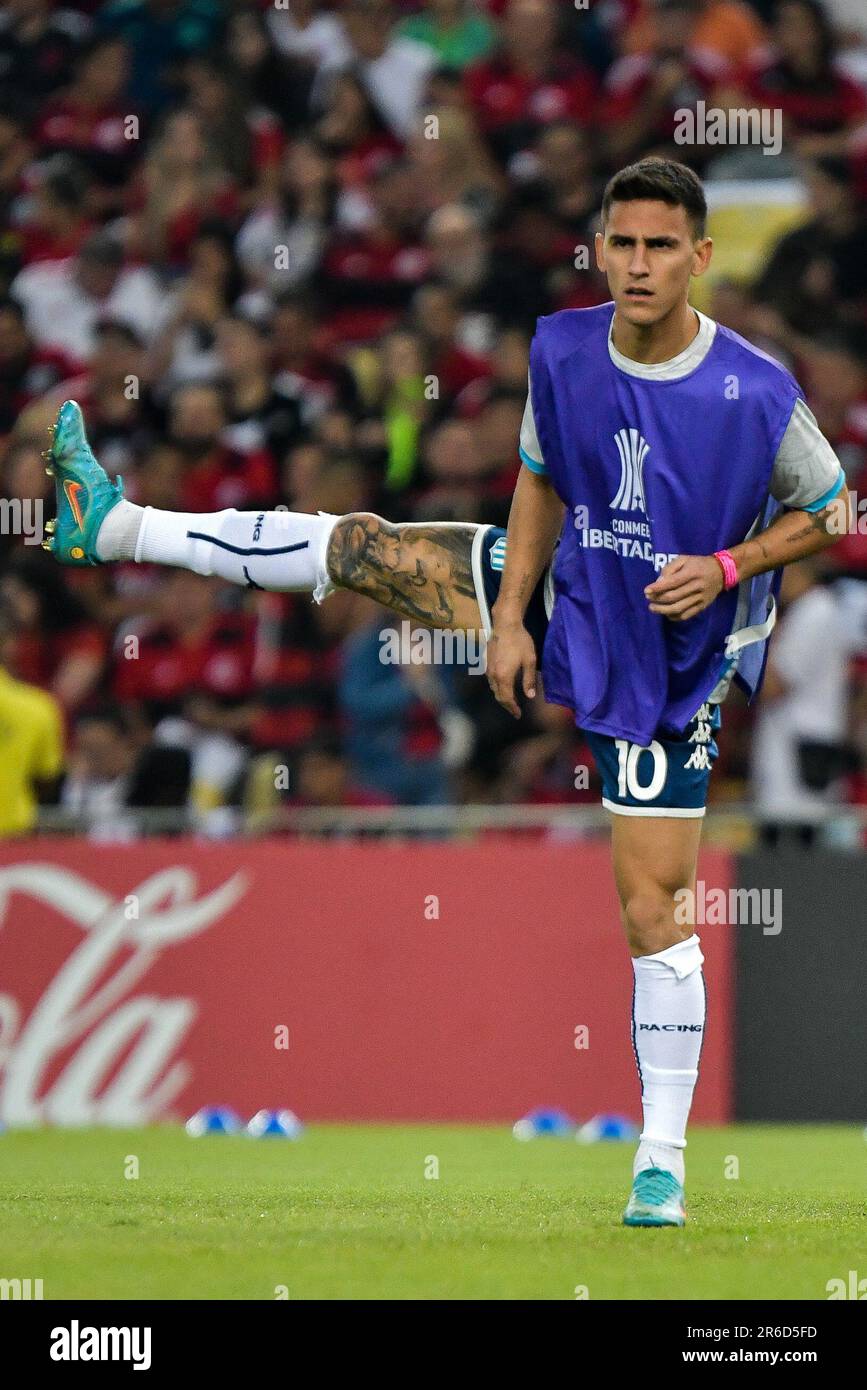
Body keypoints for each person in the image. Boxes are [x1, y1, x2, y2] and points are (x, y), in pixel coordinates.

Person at [40, 157, 849, 1227]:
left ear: (700, 257)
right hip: (566, 590)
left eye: (663, 246)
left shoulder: (756, 386)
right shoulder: (562, 348)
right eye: (624, 242)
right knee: (364, 547)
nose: (640, 263)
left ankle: (661, 1160)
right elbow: (539, 477)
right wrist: (509, 617)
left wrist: (732, 567)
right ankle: (116, 524)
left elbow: (833, 510)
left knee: (652, 908)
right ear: (600, 247)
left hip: (672, 652)